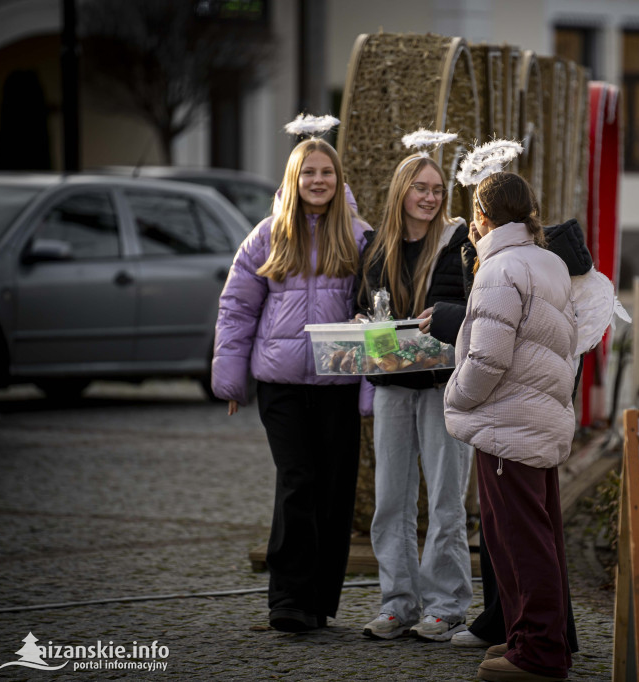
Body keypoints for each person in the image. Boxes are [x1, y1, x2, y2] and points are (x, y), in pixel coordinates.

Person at [212, 129, 373, 633]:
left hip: (339, 382)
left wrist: (369, 390)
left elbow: (374, 314)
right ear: (294, 178)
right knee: (296, 482)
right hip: (280, 383)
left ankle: (320, 602)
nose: (318, 180)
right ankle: (286, 599)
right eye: (309, 172)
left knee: (334, 491)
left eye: (326, 172)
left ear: (337, 178)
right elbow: (237, 308)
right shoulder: (267, 234)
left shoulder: (359, 236)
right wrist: (231, 379)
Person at [445, 171, 577, 682]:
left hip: (508, 424)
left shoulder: (500, 268)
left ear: (481, 215)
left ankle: (539, 653)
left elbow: (488, 358)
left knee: (518, 540)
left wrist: (455, 395)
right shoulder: (547, 262)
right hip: (538, 418)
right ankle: (536, 639)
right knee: (539, 535)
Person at [357, 153, 474, 642]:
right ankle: (397, 603)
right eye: (420, 188)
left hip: (442, 387)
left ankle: (446, 605)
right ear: (400, 191)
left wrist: (442, 314)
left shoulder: (458, 244)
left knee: (446, 501)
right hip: (392, 388)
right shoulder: (376, 249)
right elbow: (360, 310)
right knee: (391, 502)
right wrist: (367, 329)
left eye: (436, 189)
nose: (429, 197)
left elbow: (478, 308)